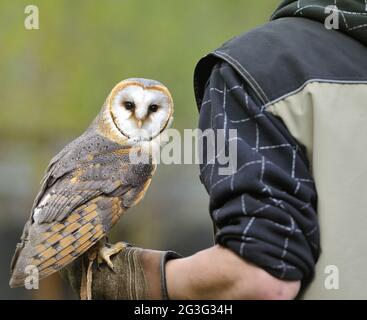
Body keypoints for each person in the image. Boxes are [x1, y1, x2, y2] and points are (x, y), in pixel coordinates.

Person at [64, 0, 367, 299]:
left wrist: (139, 279)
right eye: (129, 107)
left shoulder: (262, 67)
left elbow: (263, 278)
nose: (141, 118)